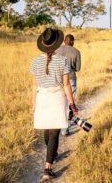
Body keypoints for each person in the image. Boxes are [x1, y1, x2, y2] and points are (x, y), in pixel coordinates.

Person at [30, 28, 78, 181]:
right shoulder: (62, 61)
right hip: (57, 98)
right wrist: (72, 103)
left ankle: (52, 155)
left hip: (42, 98)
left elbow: (33, 86)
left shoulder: (35, 61)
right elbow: (66, 85)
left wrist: (33, 104)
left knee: (47, 129)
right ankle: (47, 168)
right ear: (56, 44)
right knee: (54, 134)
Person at [56, 34, 81, 136]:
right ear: (72, 41)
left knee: (60, 103)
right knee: (69, 104)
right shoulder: (76, 51)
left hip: (58, 80)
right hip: (71, 79)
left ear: (64, 41)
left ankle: (57, 124)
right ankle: (64, 129)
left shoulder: (56, 50)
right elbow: (78, 68)